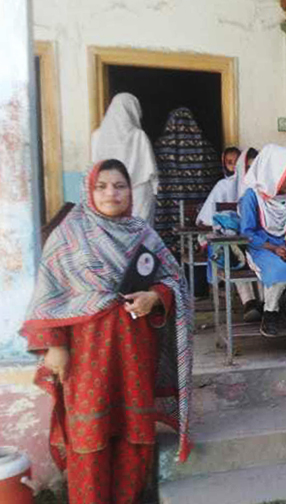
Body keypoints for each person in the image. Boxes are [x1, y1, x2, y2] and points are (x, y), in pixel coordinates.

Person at [20, 159, 193, 504]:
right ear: (89, 190)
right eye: (102, 186)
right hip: (85, 353)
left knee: (134, 434)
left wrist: (154, 297)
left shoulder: (143, 233)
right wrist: (55, 345)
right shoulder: (69, 235)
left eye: (120, 186)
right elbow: (47, 296)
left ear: (131, 191)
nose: (111, 193)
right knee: (88, 435)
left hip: (134, 349)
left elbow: (175, 281)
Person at [240, 144, 286, 338]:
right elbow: (247, 233)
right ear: (273, 174)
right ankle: (270, 312)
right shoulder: (252, 196)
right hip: (261, 247)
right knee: (277, 269)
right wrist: (273, 248)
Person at [197, 147, 262, 322]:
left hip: (257, 239)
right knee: (235, 250)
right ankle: (250, 302)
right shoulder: (224, 186)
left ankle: (264, 304)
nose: (252, 171)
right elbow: (207, 219)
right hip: (231, 240)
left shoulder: (264, 188)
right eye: (248, 167)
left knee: (260, 250)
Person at [153, 107, 223, 252]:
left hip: (168, 210)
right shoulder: (206, 149)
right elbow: (216, 176)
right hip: (197, 215)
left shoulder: (160, 148)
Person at [90, 93, 158, 224]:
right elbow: (150, 168)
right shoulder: (139, 135)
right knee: (140, 232)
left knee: (111, 229)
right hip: (139, 191)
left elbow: (94, 167)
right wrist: (155, 188)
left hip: (108, 190)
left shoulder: (97, 136)